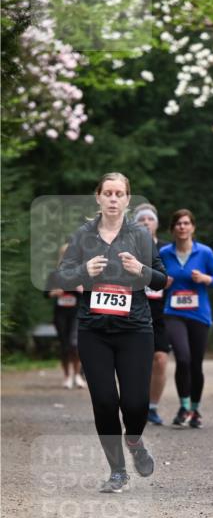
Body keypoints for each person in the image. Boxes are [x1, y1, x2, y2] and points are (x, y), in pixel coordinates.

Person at [55, 172, 168, 492]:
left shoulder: (141, 236)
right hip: (94, 331)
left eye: (120, 194)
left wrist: (141, 270)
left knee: (135, 404)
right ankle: (117, 470)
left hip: (135, 329)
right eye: (108, 193)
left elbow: (162, 279)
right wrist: (82, 271)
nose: (114, 199)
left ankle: (134, 440)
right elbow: (62, 277)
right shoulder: (82, 235)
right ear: (99, 197)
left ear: (128, 199)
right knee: (104, 401)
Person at [161, 209, 213, 428]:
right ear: (172, 229)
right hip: (173, 313)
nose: (182, 227)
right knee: (183, 358)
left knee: (196, 363)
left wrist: (206, 278)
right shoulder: (164, 253)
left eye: (186, 223)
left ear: (193, 227)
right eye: (178, 223)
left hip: (199, 314)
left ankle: (195, 409)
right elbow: (154, 280)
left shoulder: (204, 253)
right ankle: (184, 405)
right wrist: (162, 282)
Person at [132, 204, 171, 424]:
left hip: (161, 312)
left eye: (150, 219)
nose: (146, 222)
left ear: (156, 223)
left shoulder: (167, 249)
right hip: (134, 309)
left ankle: (152, 407)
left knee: (160, 360)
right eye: (141, 219)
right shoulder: (127, 246)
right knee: (134, 361)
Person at [45, 243, 85, 389]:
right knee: (65, 345)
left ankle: (78, 375)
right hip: (61, 313)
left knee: (75, 344)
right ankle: (67, 376)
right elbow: (46, 293)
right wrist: (55, 292)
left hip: (76, 312)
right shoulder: (54, 275)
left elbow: (88, 292)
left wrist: (77, 288)